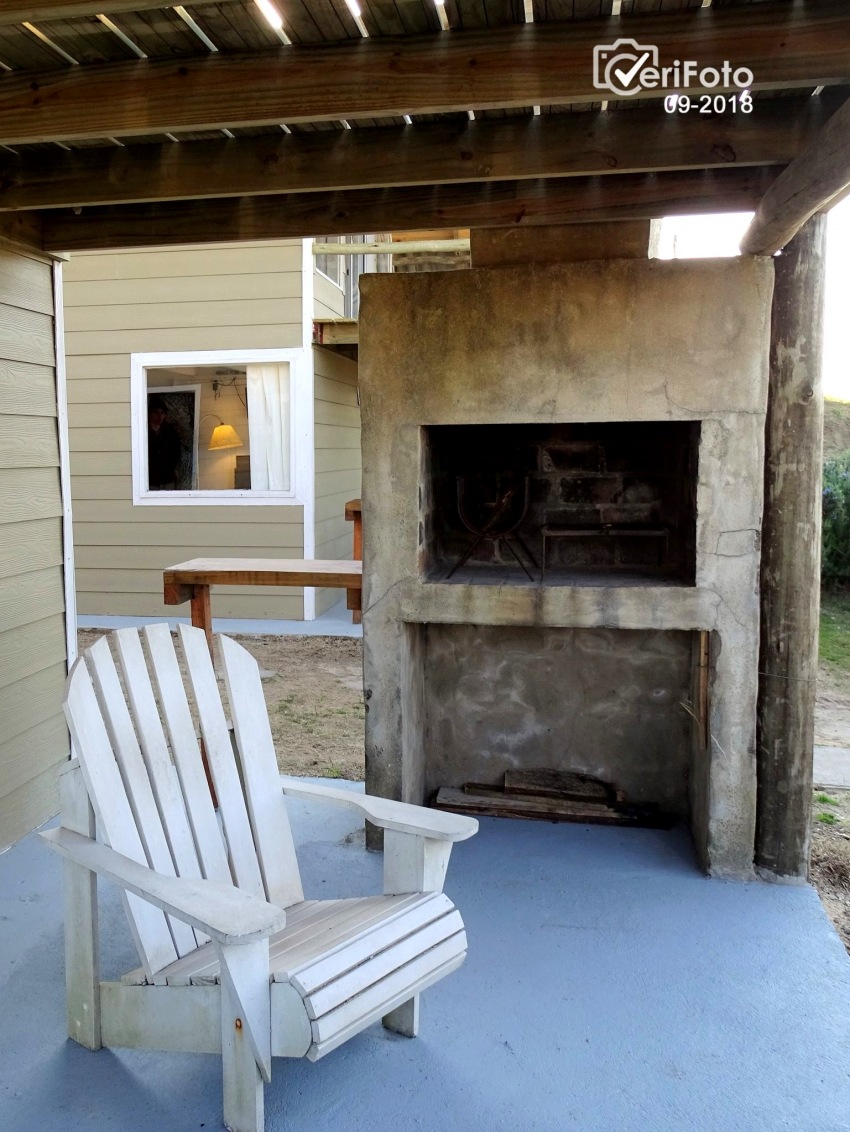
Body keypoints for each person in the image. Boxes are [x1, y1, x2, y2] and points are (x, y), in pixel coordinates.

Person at [147, 395, 182, 489]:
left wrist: (170, 467)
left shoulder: (170, 431)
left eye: (162, 413)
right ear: (150, 414)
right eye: (156, 412)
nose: (160, 416)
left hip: (167, 478)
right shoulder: (144, 431)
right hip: (151, 479)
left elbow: (177, 452)